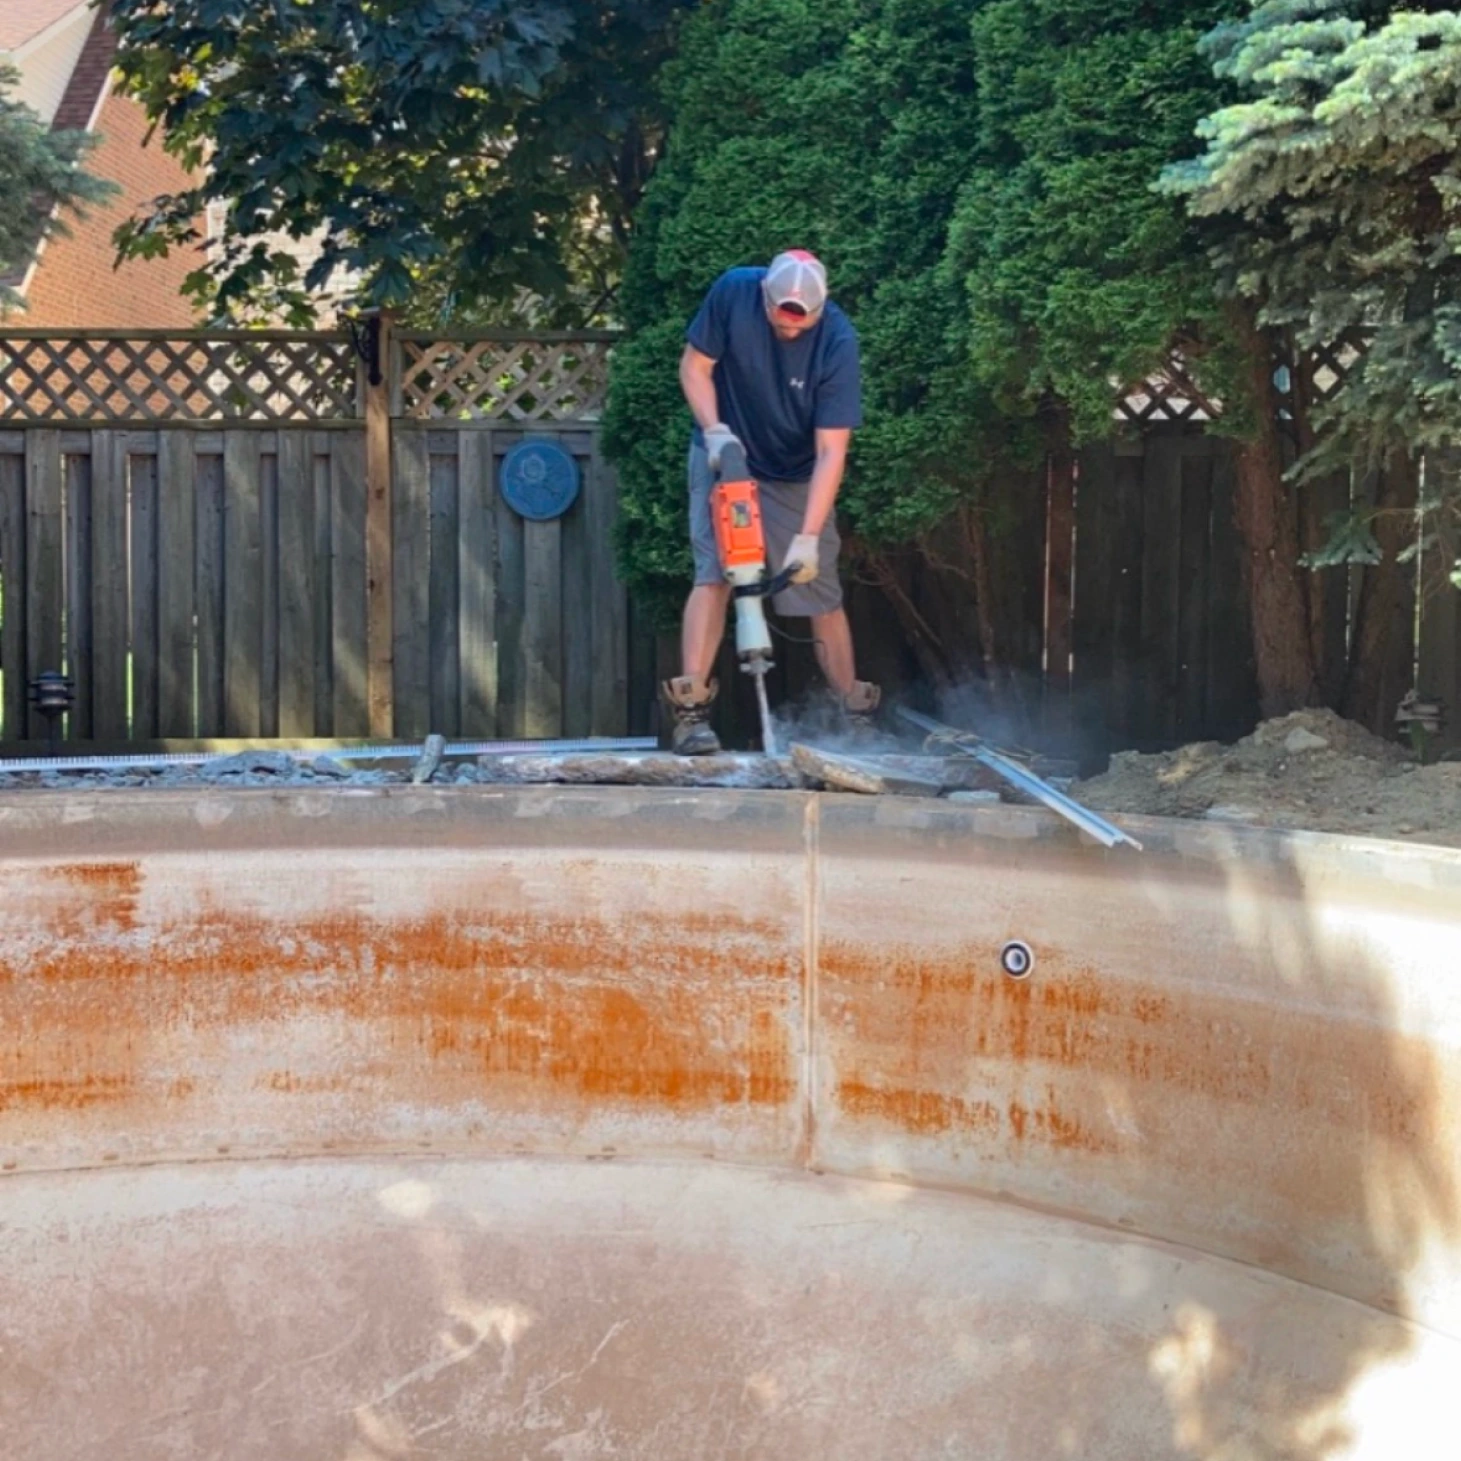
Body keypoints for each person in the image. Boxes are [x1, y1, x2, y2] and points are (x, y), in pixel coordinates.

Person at [661, 249, 881, 755]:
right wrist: (715, 432)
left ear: (821, 310)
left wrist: (806, 538)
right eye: (780, 320)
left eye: (801, 325)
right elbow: (695, 367)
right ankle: (691, 713)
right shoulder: (734, 291)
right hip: (725, 453)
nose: (790, 331)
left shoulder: (837, 342)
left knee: (820, 589)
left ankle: (854, 714)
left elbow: (831, 451)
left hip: (797, 470)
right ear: (764, 297)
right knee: (714, 574)